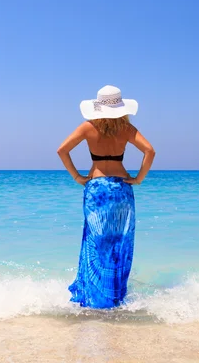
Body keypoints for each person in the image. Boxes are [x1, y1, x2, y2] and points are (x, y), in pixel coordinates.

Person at [57, 85, 155, 308]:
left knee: (96, 242)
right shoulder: (127, 129)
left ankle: (95, 300)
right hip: (121, 190)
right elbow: (150, 151)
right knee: (120, 243)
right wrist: (139, 178)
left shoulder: (87, 128)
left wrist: (77, 177)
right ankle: (115, 298)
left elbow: (62, 150)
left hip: (97, 189)